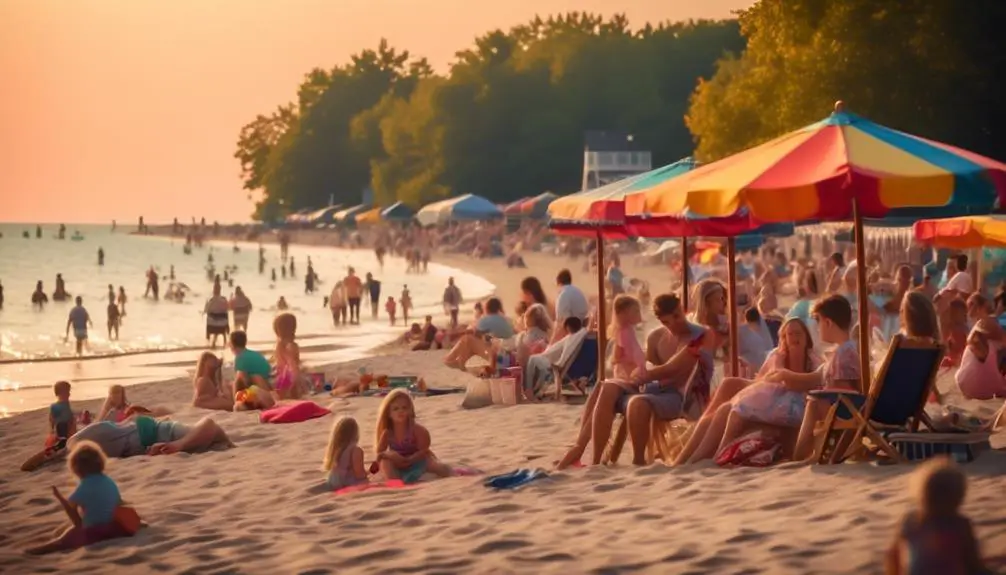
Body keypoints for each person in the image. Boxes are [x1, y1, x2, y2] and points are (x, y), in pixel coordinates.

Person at [674, 318, 823, 465]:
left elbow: (792, 382)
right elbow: (763, 382)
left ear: (806, 337)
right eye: (790, 334)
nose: (795, 337)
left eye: (798, 333)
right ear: (783, 339)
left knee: (726, 409)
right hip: (770, 401)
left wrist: (781, 373)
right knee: (724, 397)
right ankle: (688, 459)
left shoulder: (814, 361)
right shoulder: (777, 356)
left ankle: (706, 458)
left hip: (786, 409)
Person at [787, 294, 861, 461]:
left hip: (844, 410)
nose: (817, 327)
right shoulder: (844, 350)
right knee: (812, 400)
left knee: (813, 403)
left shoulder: (844, 353)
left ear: (828, 323)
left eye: (818, 321)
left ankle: (801, 456)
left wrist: (817, 395)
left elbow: (843, 391)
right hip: (848, 406)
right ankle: (805, 454)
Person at [25, 441, 131, 555]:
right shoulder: (109, 481)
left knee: (65, 538)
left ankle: (40, 550)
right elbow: (119, 504)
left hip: (94, 530)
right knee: (65, 529)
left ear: (75, 468)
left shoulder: (83, 487)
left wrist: (61, 499)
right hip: (114, 527)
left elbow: (76, 519)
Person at [885, 458, 988, 575]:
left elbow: (893, 556)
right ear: (958, 498)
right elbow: (972, 562)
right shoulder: (959, 524)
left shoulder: (910, 520)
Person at [374, 389, 451, 483]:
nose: (400, 411)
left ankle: (452, 474)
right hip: (397, 462)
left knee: (433, 464)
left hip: (417, 460)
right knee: (384, 463)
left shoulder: (416, 429)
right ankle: (395, 483)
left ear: (410, 410)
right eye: (396, 409)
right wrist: (392, 455)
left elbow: (424, 450)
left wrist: (410, 459)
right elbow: (380, 453)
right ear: (389, 413)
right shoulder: (388, 433)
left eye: (404, 408)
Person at [66, 415, 234, 457]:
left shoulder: (206, 445)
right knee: (73, 444)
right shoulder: (210, 438)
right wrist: (179, 445)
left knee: (75, 446)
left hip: (135, 438)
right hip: (145, 432)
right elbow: (210, 424)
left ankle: (60, 449)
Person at [442, 297, 515, 370]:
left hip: (501, 360)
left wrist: (454, 334)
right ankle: (460, 362)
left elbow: (472, 332)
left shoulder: (488, 319)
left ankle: (449, 359)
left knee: (468, 339)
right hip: (508, 359)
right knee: (472, 342)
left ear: (487, 308)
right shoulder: (505, 318)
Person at [322, 416, 368, 490]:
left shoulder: (336, 450)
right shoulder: (355, 450)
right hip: (347, 483)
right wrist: (370, 473)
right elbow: (360, 474)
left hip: (333, 483)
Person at [609, 295, 645, 380]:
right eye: (636, 311)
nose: (639, 314)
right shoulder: (623, 333)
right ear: (624, 313)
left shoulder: (629, 330)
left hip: (635, 372)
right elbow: (617, 358)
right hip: (627, 375)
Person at [272, 313, 303, 400]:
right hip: (289, 377)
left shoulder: (280, 345)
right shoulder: (292, 345)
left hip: (283, 378)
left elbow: (285, 365)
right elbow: (293, 364)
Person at [553, 269, 589, 343]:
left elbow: (561, 323)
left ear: (559, 283)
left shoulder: (563, 295)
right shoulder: (578, 292)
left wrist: (551, 343)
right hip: (583, 332)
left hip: (572, 336)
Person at [204, 283, 230, 349]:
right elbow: (227, 308)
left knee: (211, 318)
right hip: (222, 323)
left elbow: (206, 310)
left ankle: (212, 341)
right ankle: (225, 337)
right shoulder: (223, 299)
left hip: (212, 324)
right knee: (223, 317)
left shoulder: (210, 300)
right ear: (220, 290)